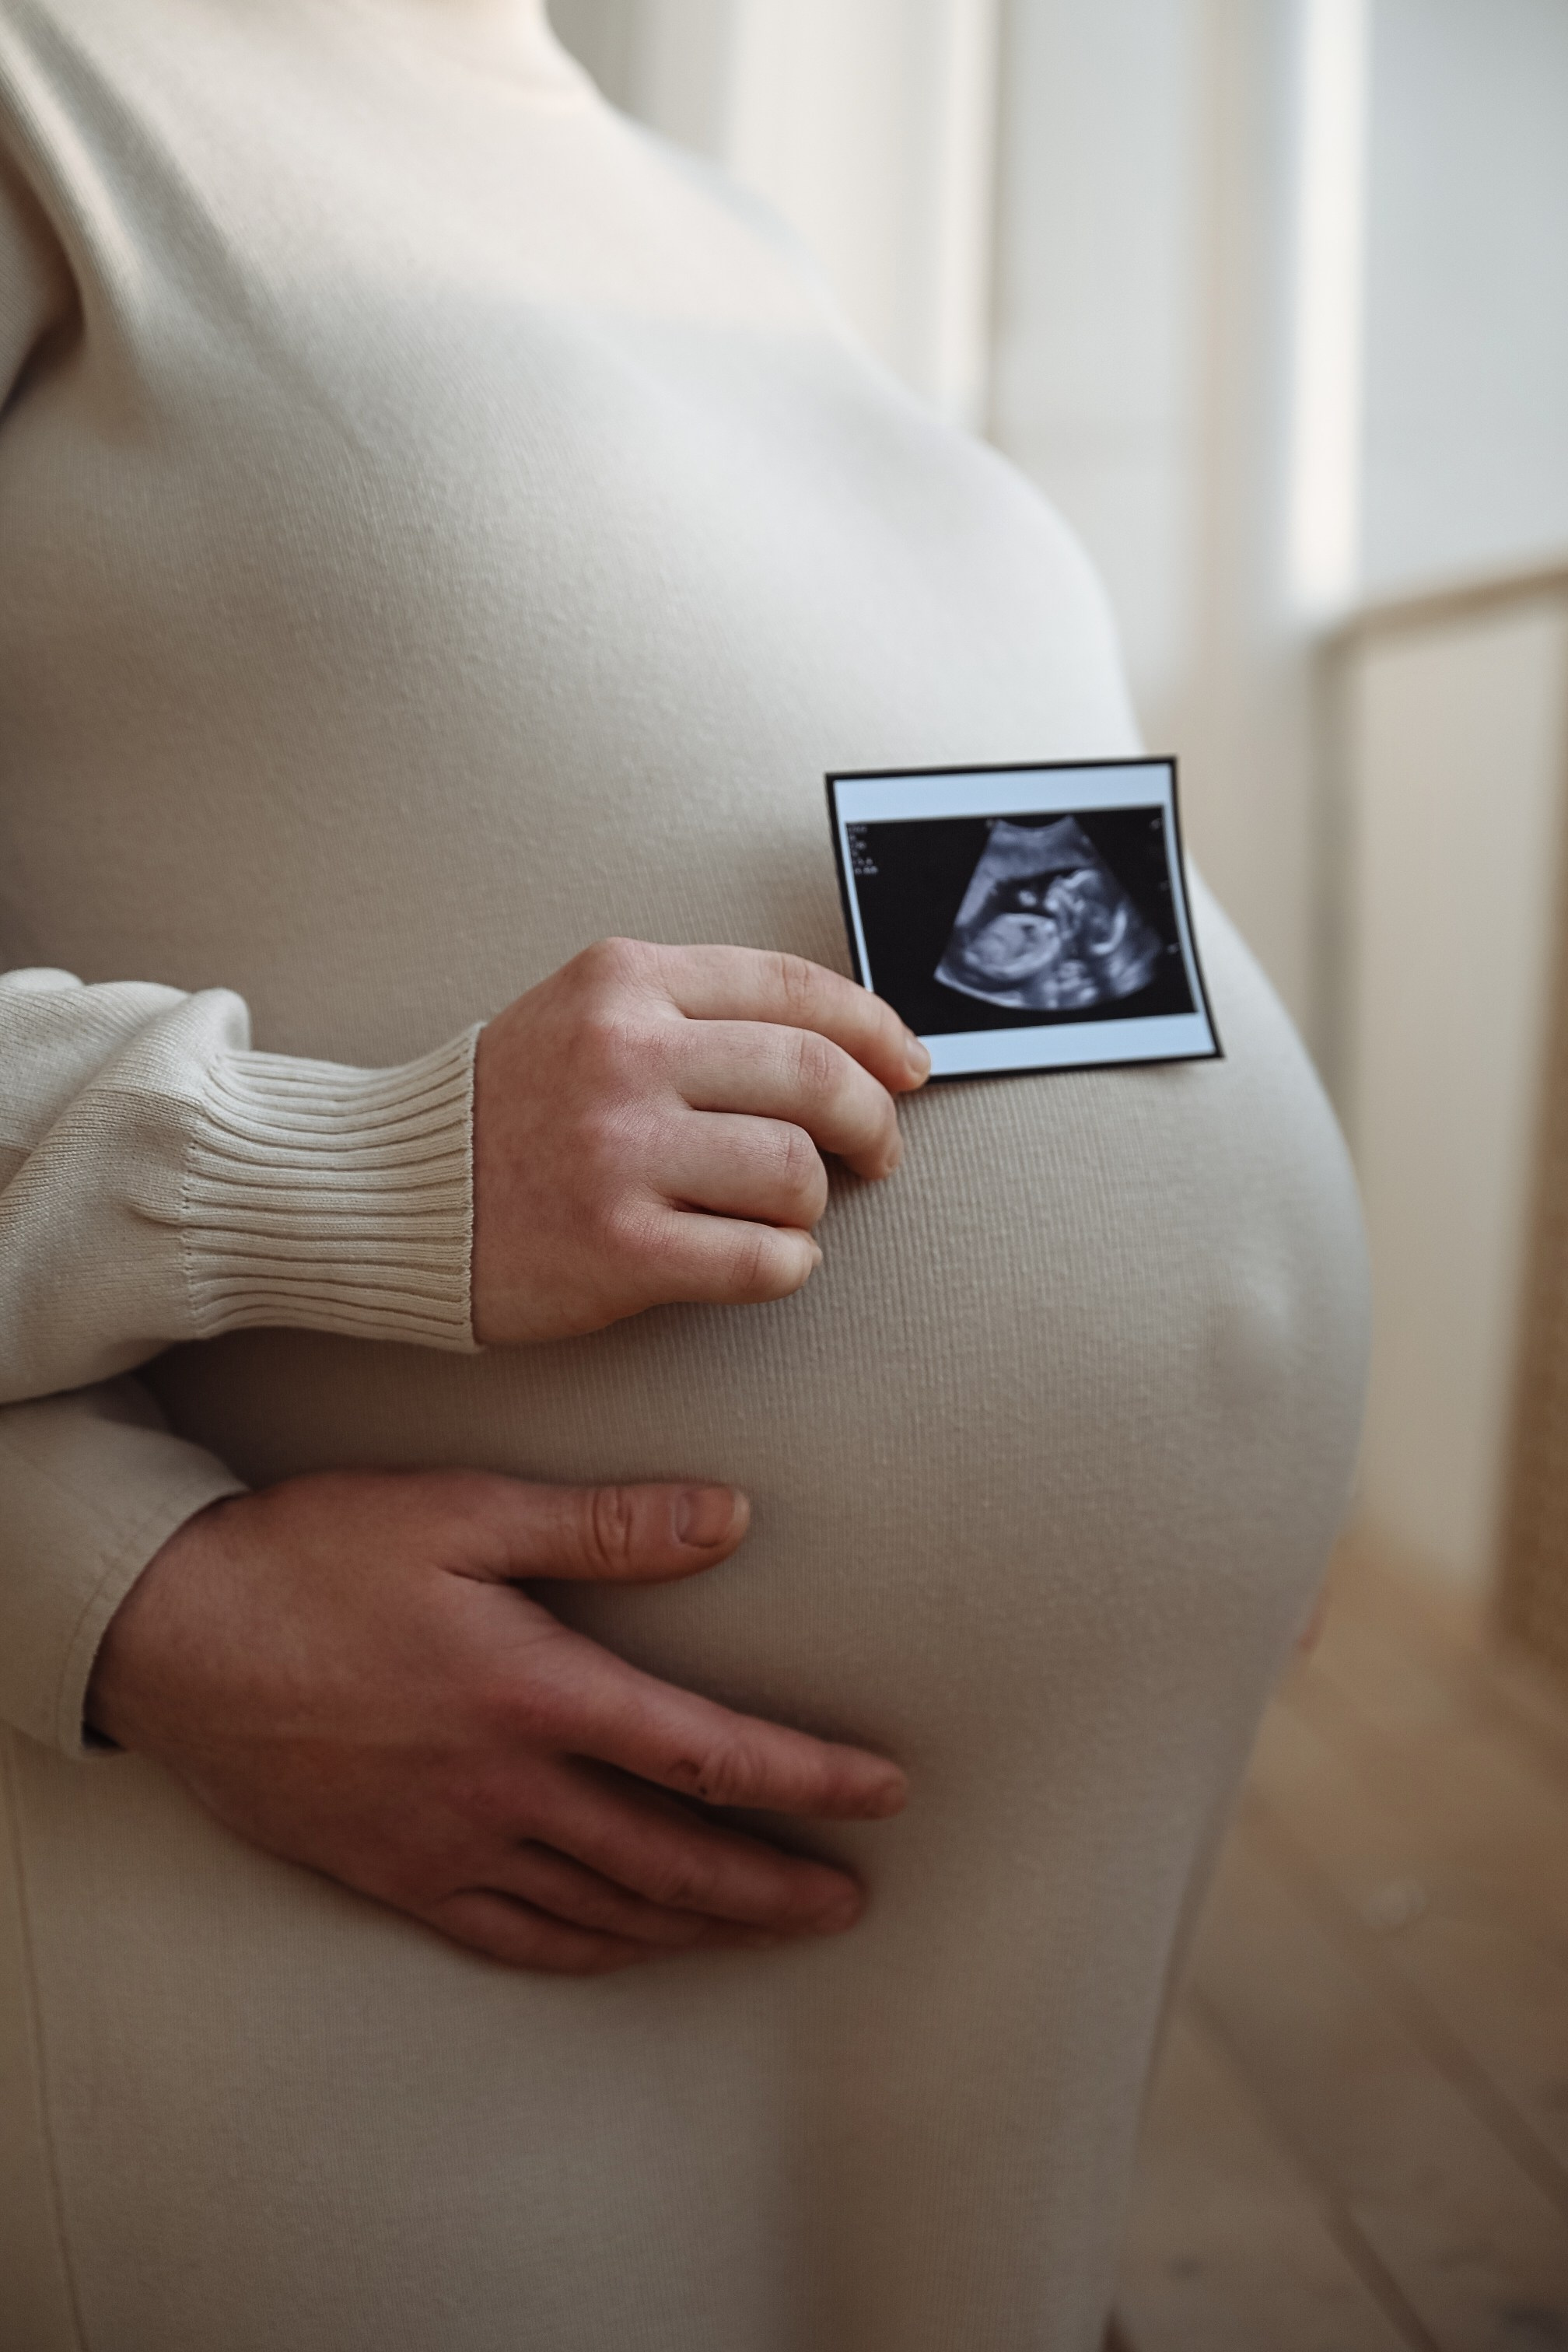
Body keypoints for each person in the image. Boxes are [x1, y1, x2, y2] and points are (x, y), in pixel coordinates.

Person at [0, 4, 1370, 2347]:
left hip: (1001, 1930)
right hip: (358, 1900)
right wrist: (125, 1587)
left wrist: (1215, 1382)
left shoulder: (706, 210)